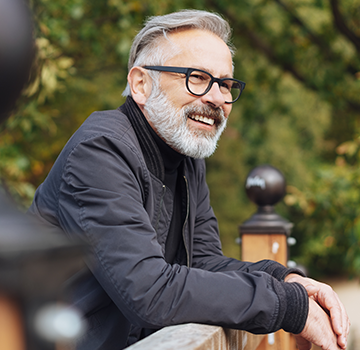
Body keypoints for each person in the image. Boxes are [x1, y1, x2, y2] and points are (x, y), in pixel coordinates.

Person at [28, 9, 349, 350]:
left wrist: (284, 278)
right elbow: (149, 291)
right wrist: (288, 306)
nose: (216, 98)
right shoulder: (100, 150)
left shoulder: (186, 156)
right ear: (140, 84)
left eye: (225, 84)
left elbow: (205, 264)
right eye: (197, 77)